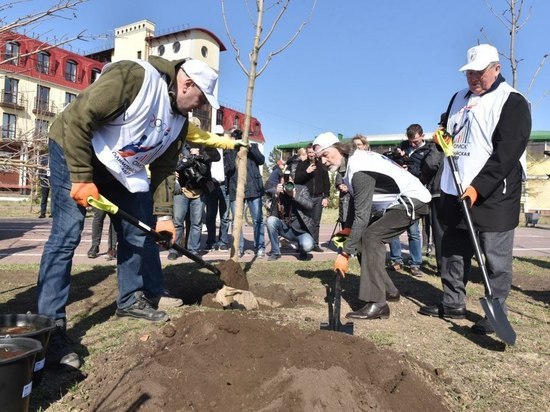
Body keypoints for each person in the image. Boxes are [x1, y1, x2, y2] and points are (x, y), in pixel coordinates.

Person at [38, 56, 243, 369]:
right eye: (199, 99)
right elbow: (79, 118)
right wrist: (81, 177)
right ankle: (50, 328)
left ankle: (130, 299)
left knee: (137, 229)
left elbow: (163, 169)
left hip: (119, 168)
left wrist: (163, 217)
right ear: (186, 83)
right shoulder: (134, 78)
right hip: (74, 147)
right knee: (67, 234)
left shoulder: (180, 122)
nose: (198, 107)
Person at [418, 44, 531, 334]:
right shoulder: (458, 98)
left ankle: (496, 312)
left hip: (494, 195)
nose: (474, 78)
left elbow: (507, 153)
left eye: (480, 72)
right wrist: (443, 136)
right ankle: (453, 300)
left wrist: (478, 188)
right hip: (453, 189)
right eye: (470, 73)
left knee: (494, 256)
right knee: (452, 250)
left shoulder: (513, 102)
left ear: (497, 68)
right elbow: (448, 128)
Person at [312, 132, 431, 320]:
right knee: (361, 241)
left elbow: (363, 214)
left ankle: (377, 303)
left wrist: (345, 253)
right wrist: (349, 231)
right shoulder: (351, 165)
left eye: (325, 155)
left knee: (371, 237)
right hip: (395, 203)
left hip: (412, 200)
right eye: (320, 159)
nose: (324, 162)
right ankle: (388, 290)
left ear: (338, 147)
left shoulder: (359, 168)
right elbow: (355, 202)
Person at [387, 124, 432, 277]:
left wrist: (409, 170)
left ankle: (415, 263)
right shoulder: (404, 146)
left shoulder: (429, 150)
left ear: (422, 136)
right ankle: (396, 260)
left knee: (413, 232)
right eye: (411, 141)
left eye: (416, 141)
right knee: (393, 227)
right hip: (399, 193)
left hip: (415, 193)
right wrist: (397, 154)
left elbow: (426, 171)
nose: (413, 144)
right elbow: (391, 160)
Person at [168, 143, 219, 259]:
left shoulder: (204, 144)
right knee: (178, 222)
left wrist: (202, 155)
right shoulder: (180, 144)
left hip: (199, 191)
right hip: (182, 189)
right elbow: (173, 165)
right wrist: (187, 159)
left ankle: (193, 250)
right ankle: (174, 249)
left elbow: (216, 156)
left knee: (197, 223)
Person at [224, 128, 266, 258]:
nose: (237, 137)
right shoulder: (228, 149)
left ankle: (260, 247)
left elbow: (261, 160)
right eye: (234, 135)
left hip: (253, 188)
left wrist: (249, 148)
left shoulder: (253, 146)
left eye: (239, 134)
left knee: (257, 219)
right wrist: (232, 149)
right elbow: (229, 169)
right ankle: (238, 248)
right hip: (236, 189)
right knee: (236, 221)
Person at [265, 169, 315, 261]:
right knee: (270, 220)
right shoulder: (279, 193)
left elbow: (310, 206)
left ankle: (301, 248)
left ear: (293, 181)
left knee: (308, 246)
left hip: (301, 231)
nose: (288, 185)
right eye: (285, 182)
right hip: (285, 229)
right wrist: (276, 196)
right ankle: (275, 252)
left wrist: (295, 196)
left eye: (290, 182)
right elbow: (272, 215)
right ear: (280, 183)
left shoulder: (302, 189)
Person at [419, 114, 447, 274]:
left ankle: (443, 267)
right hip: (462, 192)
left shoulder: (439, 141)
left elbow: (430, 164)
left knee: (441, 232)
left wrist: (422, 178)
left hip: (440, 191)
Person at [294, 143, 330, 252]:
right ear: (307, 153)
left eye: (313, 152)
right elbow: (296, 180)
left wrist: (326, 197)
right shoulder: (302, 164)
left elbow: (326, 183)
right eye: (309, 152)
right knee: (303, 221)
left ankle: (315, 244)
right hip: (306, 198)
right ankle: (303, 244)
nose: (311, 155)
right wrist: (307, 172)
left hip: (318, 198)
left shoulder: (321, 166)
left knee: (316, 222)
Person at [204, 125, 230, 251]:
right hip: (211, 185)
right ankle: (211, 241)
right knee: (210, 215)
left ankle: (223, 241)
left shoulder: (227, 150)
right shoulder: (208, 149)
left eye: (220, 135)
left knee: (225, 216)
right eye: (216, 135)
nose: (218, 137)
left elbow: (231, 167)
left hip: (225, 186)